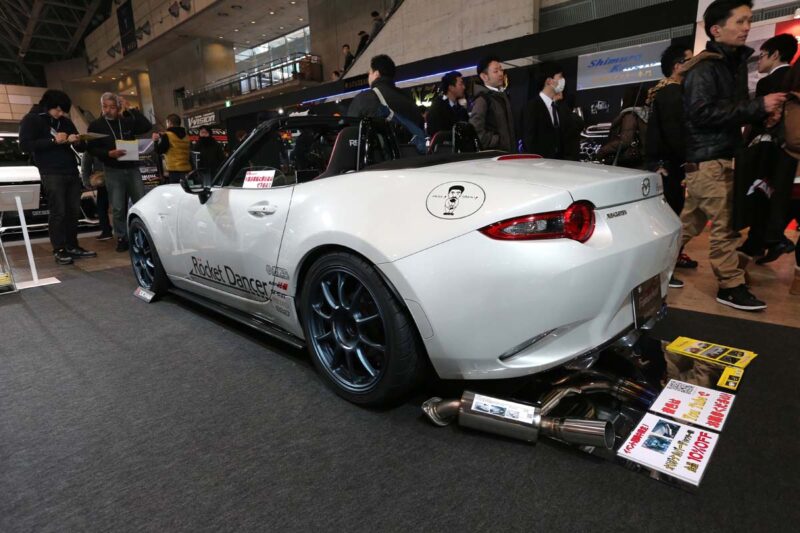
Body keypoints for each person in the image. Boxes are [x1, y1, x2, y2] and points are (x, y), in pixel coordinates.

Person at [679, 0, 786, 311]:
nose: (747, 27)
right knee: (726, 226)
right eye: (739, 21)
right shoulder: (705, 68)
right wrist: (758, 106)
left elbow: (726, 112)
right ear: (716, 29)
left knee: (688, 225)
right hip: (708, 161)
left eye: (749, 20)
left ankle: (654, 264)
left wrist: (759, 113)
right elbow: (701, 113)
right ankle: (730, 286)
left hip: (717, 158)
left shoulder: (729, 66)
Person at [19, 89, 96, 264]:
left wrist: (78, 140)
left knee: (73, 211)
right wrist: (53, 141)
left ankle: (72, 245)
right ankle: (59, 249)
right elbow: (24, 145)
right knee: (58, 211)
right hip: (51, 171)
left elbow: (81, 147)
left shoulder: (65, 121)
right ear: (48, 105)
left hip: (71, 170)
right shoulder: (32, 119)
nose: (60, 114)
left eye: (63, 111)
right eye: (58, 110)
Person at [741, 33, 799, 264]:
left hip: (769, 147)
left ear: (775, 55)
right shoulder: (794, 76)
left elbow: (758, 118)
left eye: (762, 55)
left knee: (762, 194)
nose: (759, 61)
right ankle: (764, 241)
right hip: (790, 149)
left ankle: (769, 240)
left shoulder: (768, 83)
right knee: (778, 196)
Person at [646, 44, 698, 273]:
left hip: (667, 163)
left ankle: (671, 258)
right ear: (678, 66)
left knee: (674, 214)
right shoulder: (671, 93)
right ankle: (665, 265)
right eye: (690, 60)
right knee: (671, 216)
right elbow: (674, 133)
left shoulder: (665, 91)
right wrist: (689, 161)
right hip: (668, 165)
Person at [87, 92, 152, 252]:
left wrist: (130, 109)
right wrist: (108, 153)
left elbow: (146, 126)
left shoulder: (126, 120)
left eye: (112, 107)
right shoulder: (96, 125)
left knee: (140, 203)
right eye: (105, 107)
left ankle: (143, 235)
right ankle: (122, 237)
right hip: (112, 170)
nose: (108, 110)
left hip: (132, 168)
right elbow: (91, 148)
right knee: (117, 207)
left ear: (118, 107)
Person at [347, 54, 424, 142]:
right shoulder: (408, 97)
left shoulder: (363, 98)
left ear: (376, 73)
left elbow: (351, 133)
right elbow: (420, 125)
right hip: (411, 149)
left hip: (381, 150)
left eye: (369, 73)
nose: (368, 76)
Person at [470, 55, 515, 152]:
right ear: (484, 76)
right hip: (494, 156)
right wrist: (495, 142)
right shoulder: (482, 99)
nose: (501, 74)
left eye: (501, 70)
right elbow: (475, 129)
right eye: (496, 71)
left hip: (508, 154)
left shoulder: (502, 96)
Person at [596, 85, 648, 169]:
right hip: (643, 161)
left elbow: (625, 141)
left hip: (630, 163)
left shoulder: (630, 115)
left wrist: (603, 150)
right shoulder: (646, 113)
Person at [522, 62, 567, 158]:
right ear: (549, 81)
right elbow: (529, 140)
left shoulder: (557, 106)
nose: (563, 80)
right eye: (560, 77)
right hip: (540, 163)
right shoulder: (532, 106)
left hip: (559, 163)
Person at [80, 153, 113, 241]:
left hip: (102, 177)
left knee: (102, 205)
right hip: (114, 175)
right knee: (119, 205)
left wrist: (86, 181)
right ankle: (118, 232)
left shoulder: (92, 148)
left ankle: (106, 231)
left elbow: (85, 164)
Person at [426, 71, 469, 137]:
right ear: (451, 87)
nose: (464, 87)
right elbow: (436, 134)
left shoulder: (460, 108)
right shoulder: (437, 108)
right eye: (461, 84)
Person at [153, 114, 191, 185]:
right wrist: (163, 135)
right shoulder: (186, 136)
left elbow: (159, 151)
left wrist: (155, 141)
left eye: (167, 123)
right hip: (187, 170)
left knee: (176, 190)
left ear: (170, 123)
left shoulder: (167, 135)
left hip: (174, 171)